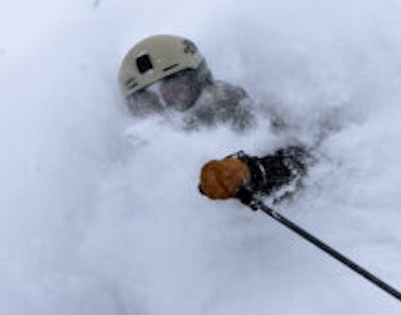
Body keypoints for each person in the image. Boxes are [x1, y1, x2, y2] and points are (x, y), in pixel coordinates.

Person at [118, 33, 309, 204]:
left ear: (199, 78)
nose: (168, 109)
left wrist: (252, 172)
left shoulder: (237, 108)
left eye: (176, 91)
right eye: (150, 102)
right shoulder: (141, 144)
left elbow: (302, 161)